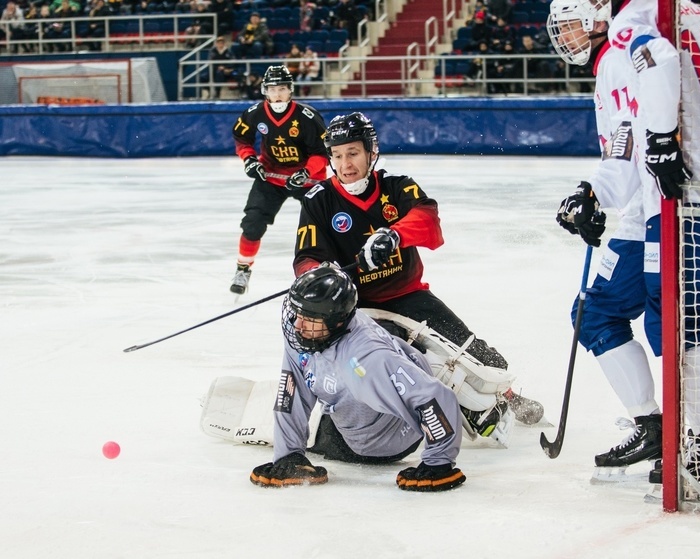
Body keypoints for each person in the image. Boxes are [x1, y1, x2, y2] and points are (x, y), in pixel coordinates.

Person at [550, 0, 700, 491]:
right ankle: (657, 428)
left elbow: (640, 126)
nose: (565, 36)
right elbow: (626, 137)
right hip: (666, 205)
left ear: (597, 15)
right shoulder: (696, 18)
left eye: (572, 23)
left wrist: (658, 145)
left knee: (688, 322)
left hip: (681, 202)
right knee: (599, 313)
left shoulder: (632, 31)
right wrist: (593, 191)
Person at [290, 111, 545, 429]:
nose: (345, 164)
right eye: (337, 156)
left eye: (353, 153)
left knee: (476, 353)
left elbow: (429, 221)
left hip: (408, 295)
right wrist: (323, 274)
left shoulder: (398, 187)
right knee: (409, 361)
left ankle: (508, 396)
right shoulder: (318, 200)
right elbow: (305, 259)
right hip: (355, 307)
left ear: (371, 152)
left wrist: (394, 235)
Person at [248, 264, 467, 491]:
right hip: (360, 396)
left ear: (336, 321)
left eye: (309, 318)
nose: (297, 325)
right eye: (297, 312)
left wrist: (438, 463)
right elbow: (291, 392)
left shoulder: (366, 360)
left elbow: (436, 397)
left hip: (382, 443)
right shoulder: (303, 334)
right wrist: (288, 455)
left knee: (330, 430)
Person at [229, 65, 328, 295]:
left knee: (323, 226)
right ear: (265, 91)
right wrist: (249, 160)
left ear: (290, 90)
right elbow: (241, 138)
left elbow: (322, 152)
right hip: (271, 176)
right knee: (252, 223)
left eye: (282, 89)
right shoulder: (255, 113)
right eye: (273, 90)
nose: (277, 95)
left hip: (306, 178)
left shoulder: (307, 116)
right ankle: (243, 268)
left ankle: (327, 268)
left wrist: (306, 173)